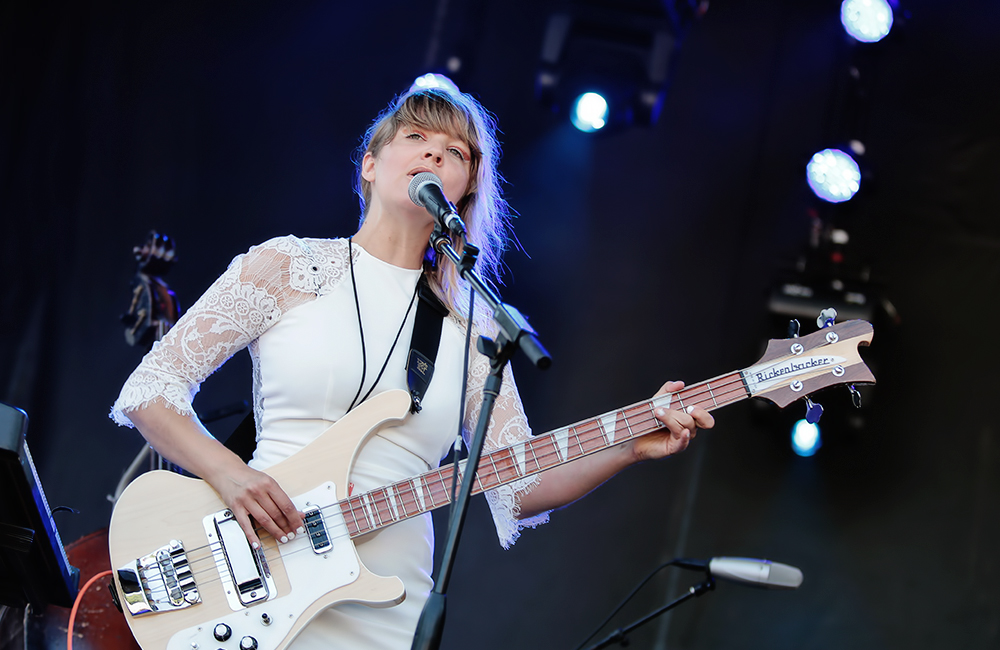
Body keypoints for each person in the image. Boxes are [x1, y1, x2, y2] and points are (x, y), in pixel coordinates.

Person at [110, 84, 714, 649]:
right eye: (416, 137)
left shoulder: (474, 323)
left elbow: (520, 486)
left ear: (464, 192)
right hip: (257, 569)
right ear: (370, 165)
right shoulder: (285, 267)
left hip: (387, 608)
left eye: (455, 152)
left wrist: (629, 446)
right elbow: (150, 390)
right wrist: (229, 474)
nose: (434, 154)